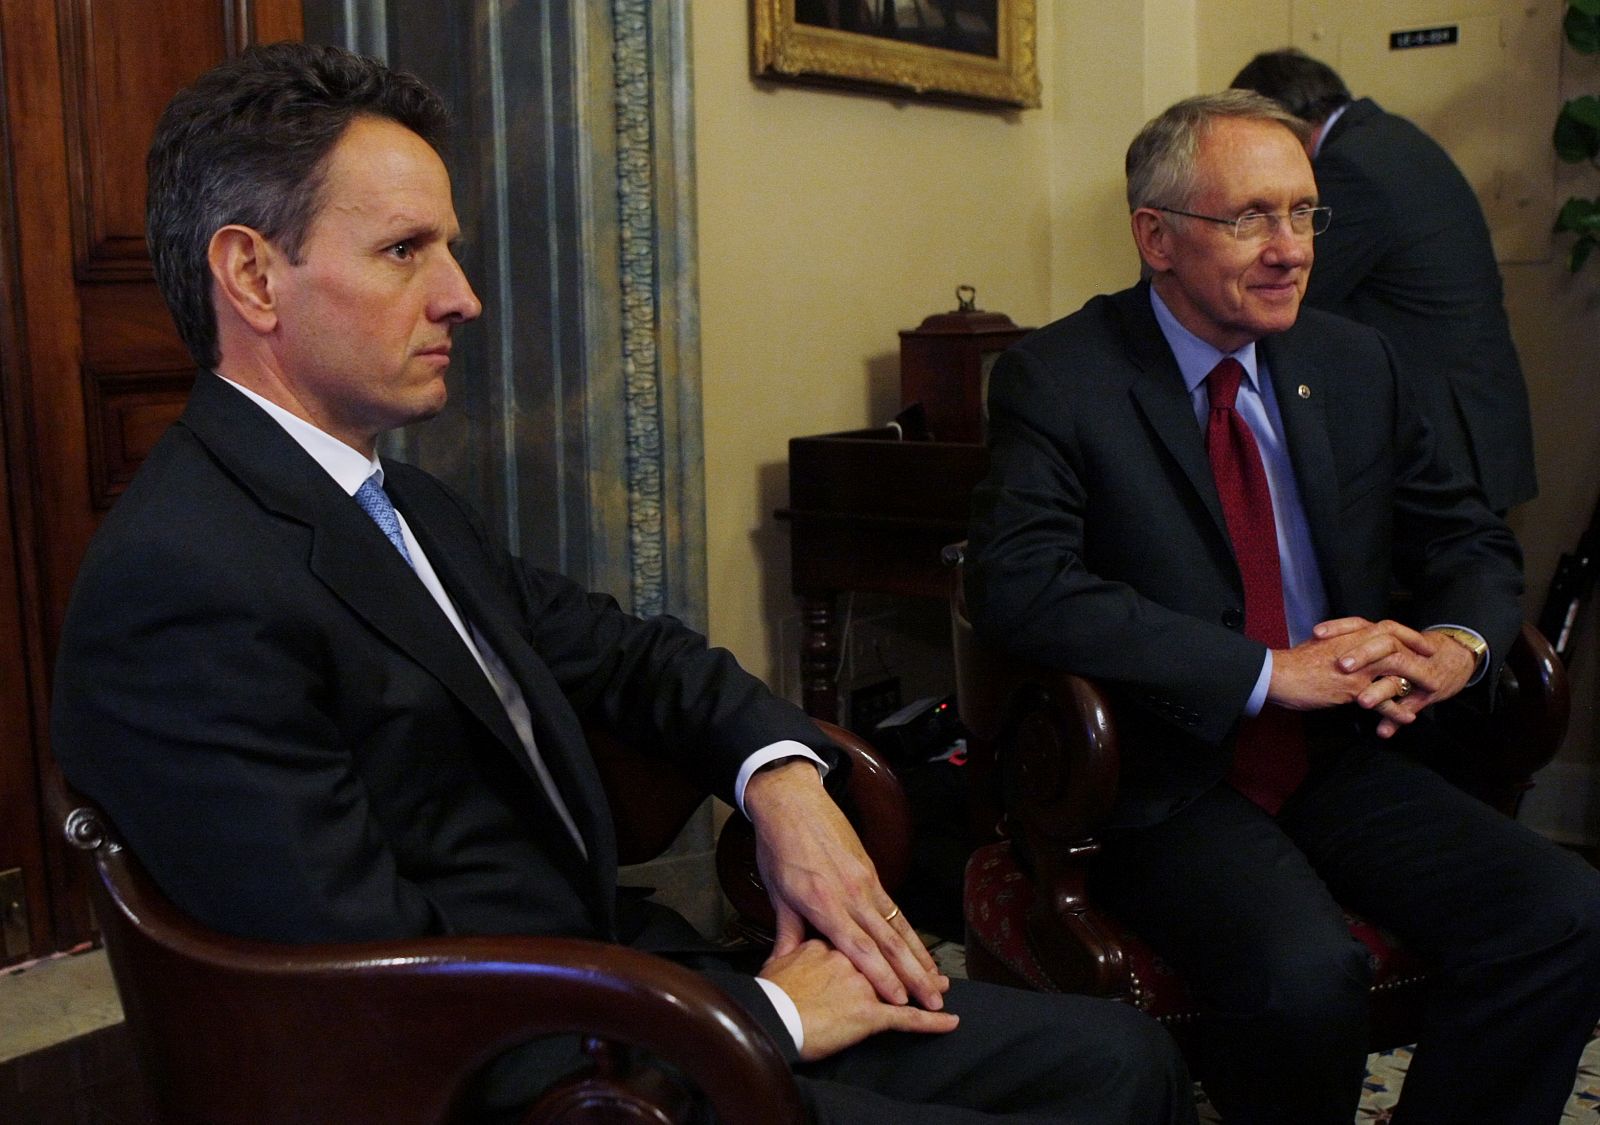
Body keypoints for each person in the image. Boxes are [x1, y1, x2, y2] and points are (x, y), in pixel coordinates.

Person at [49, 42, 1197, 1125]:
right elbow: (360, 996)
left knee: (1121, 1058)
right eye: (406, 250)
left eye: (447, 248)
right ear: (253, 272)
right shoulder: (184, 583)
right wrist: (774, 1014)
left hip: (624, 985)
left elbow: (635, 656)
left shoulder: (398, 506)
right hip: (546, 1074)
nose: (462, 296)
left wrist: (782, 781)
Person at [964, 89, 1600, 1124]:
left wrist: (1458, 643)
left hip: (1343, 751)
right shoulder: (1060, 376)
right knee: (1305, 976)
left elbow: (1465, 537)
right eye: (1251, 217)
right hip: (1166, 769)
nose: (1290, 248)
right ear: (1155, 237)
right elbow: (1018, 584)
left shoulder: (1350, 362)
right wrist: (1263, 672)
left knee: (1564, 913)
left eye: (1304, 214)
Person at [1231, 48, 1536, 514]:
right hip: (1472, 418)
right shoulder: (1389, 139)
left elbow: (1286, 294)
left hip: (1440, 435)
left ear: (1283, 124)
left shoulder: (1350, 169)